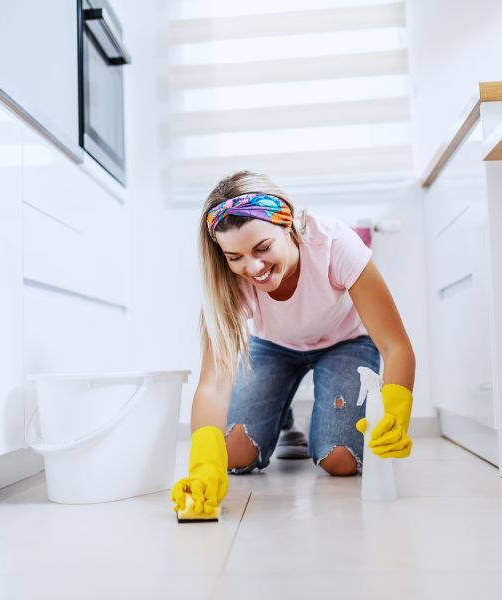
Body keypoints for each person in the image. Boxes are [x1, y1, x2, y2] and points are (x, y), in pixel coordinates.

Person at [170, 171, 416, 517]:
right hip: (274, 347)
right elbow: (213, 384)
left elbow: (396, 347)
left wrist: (394, 411)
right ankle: (281, 420)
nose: (252, 268)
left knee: (340, 460)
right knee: (234, 456)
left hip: (345, 342)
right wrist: (203, 469)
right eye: (234, 256)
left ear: (287, 221)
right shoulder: (227, 281)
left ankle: (315, 415)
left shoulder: (335, 244)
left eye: (262, 248)